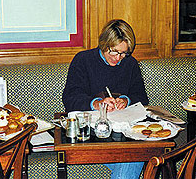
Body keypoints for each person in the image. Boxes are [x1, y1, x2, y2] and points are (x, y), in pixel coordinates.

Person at [62, 19, 149, 179]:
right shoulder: (83, 60)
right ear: (103, 44)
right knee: (134, 158)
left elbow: (142, 98)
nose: (118, 58)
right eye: (114, 52)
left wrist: (126, 100)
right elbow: (70, 98)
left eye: (123, 53)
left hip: (123, 135)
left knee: (133, 156)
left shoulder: (130, 64)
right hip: (90, 137)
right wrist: (95, 104)